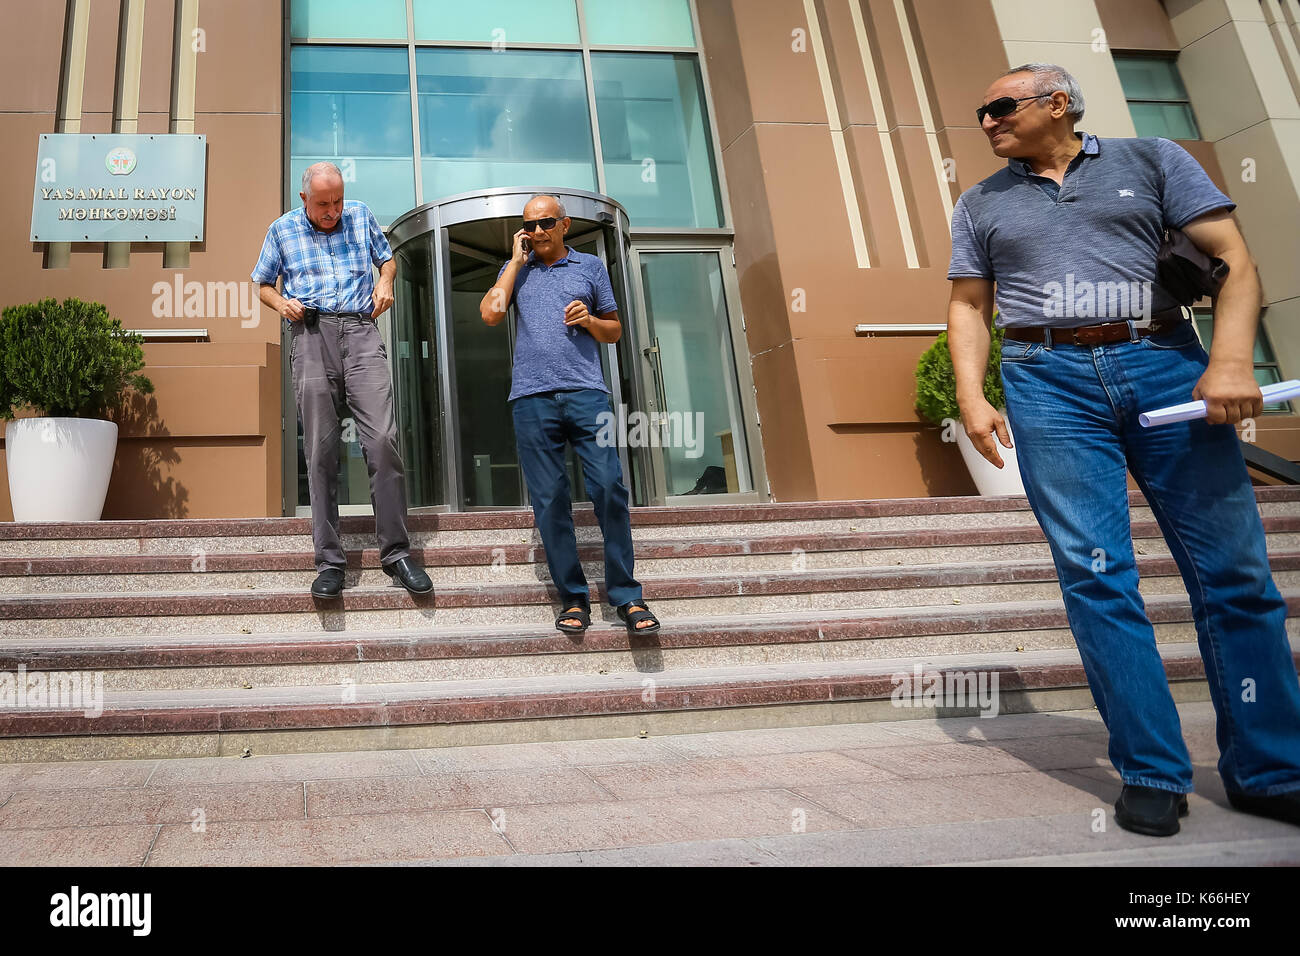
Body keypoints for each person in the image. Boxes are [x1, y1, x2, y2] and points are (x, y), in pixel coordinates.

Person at [947, 63, 1300, 836]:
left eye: (1000, 106)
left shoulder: (1154, 160)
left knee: (1235, 573)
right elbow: (971, 305)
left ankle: (1272, 769)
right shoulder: (979, 202)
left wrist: (1231, 361)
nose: (986, 122)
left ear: (1058, 103)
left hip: (1163, 359)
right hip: (1046, 377)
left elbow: (1235, 262)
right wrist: (974, 396)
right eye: (981, 111)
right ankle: (1151, 770)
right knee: (1096, 575)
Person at [479, 194, 659, 635]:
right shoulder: (515, 271)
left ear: (565, 225)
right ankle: (574, 598)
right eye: (529, 225)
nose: (537, 231)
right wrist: (515, 264)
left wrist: (590, 322)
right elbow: (489, 314)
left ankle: (627, 597)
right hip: (531, 398)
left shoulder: (590, 267)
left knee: (609, 488)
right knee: (551, 500)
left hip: (586, 394)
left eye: (545, 223)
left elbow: (614, 330)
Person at [252, 161, 432, 599]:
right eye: (323, 204)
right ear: (304, 200)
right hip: (311, 335)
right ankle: (330, 562)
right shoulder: (282, 230)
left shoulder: (361, 215)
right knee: (320, 449)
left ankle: (397, 553)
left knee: (383, 440)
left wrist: (386, 283)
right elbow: (261, 284)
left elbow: (386, 262)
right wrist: (283, 305)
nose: (333, 211)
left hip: (361, 331)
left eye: (337, 201)